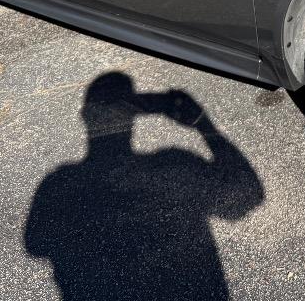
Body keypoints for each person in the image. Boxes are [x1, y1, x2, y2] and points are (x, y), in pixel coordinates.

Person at [24, 72, 263, 300]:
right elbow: (247, 195)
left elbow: (36, 244)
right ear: (137, 114)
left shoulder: (60, 184)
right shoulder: (174, 166)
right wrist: (204, 125)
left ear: (86, 115)